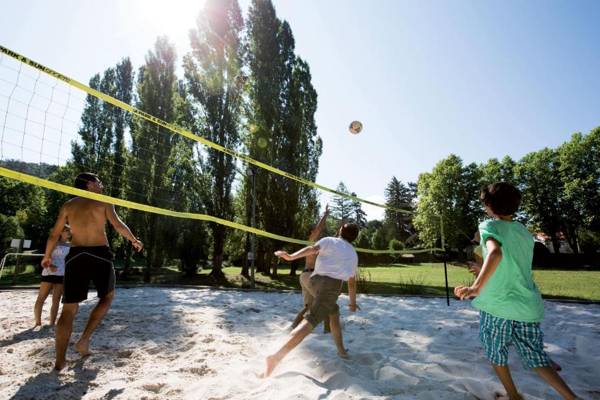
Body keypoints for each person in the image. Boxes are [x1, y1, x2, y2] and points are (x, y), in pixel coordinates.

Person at [454, 182, 578, 400]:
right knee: (536, 359)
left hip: (498, 306)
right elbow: (507, 264)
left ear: (489, 206)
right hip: (527, 306)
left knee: (496, 353)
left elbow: (495, 255)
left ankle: (513, 395)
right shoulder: (523, 231)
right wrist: (481, 270)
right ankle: (572, 397)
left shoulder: (488, 225)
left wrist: (475, 287)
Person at [42, 172, 143, 371]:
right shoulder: (103, 201)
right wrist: (133, 239)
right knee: (107, 297)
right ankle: (84, 339)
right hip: (99, 254)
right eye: (99, 181)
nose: (102, 184)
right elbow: (117, 224)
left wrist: (46, 256)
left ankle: (60, 360)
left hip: (76, 255)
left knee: (69, 308)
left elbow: (54, 234)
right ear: (89, 184)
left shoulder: (68, 205)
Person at [263, 223, 360, 378]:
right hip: (330, 288)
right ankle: (275, 357)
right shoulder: (353, 254)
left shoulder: (329, 240)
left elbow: (311, 249)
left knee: (333, 310)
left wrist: (290, 257)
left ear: (341, 230)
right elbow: (351, 282)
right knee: (311, 321)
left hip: (314, 280)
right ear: (355, 238)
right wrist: (353, 303)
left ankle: (341, 350)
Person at [289, 205, 330, 333]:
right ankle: (327, 332)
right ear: (311, 234)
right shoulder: (311, 241)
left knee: (308, 307)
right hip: (310, 276)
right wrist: (325, 214)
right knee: (325, 304)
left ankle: (292, 328)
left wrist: (341, 226)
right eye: (314, 232)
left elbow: (335, 240)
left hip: (305, 276)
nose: (317, 233)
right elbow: (318, 230)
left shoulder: (319, 246)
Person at [34, 225, 70, 327]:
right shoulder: (53, 242)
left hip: (61, 274)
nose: (69, 232)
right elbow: (46, 258)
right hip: (49, 272)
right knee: (41, 298)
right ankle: (38, 322)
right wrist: (50, 265)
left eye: (69, 230)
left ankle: (52, 323)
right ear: (60, 232)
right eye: (66, 230)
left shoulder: (71, 245)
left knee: (56, 300)